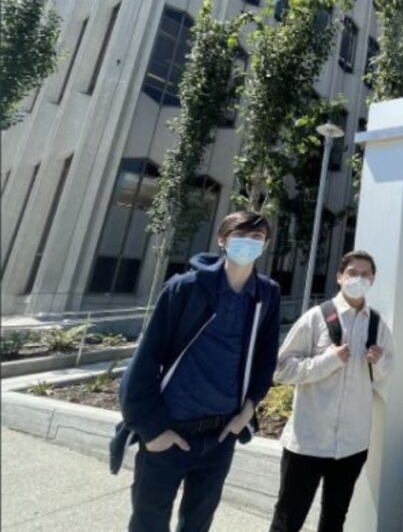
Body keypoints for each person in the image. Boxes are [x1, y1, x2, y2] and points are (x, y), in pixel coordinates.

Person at [109, 210, 281, 532]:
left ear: (266, 245)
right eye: (239, 236)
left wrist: (249, 408)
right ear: (222, 240)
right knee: (149, 522)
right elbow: (146, 359)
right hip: (169, 430)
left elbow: (265, 358)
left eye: (256, 238)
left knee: (198, 523)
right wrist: (151, 429)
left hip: (220, 435)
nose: (248, 243)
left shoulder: (266, 295)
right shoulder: (185, 288)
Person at [269, 250, 394, 532]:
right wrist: (328, 361)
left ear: (372, 279)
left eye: (365, 274)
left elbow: (389, 370)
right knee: (287, 520)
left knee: (334, 521)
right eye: (352, 272)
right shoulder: (316, 318)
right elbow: (281, 369)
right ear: (340, 277)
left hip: (352, 444)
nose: (358, 279)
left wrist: (380, 360)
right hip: (308, 441)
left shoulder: (376, 324)